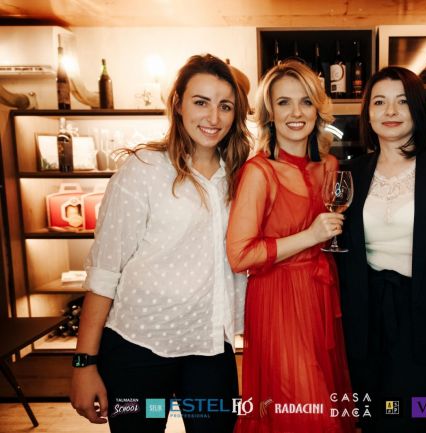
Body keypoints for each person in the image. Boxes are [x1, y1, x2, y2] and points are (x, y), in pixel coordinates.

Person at [69, 54, 250, 433]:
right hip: (139, 348)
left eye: (225, 106)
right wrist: (84, 363)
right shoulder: (144, 171)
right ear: (178, 104)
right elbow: (105, 271)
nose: (213, 117)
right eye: (201, 102)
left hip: (210, 347)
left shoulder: (240, 174)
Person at [336, 66, 426, 433]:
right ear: (367, 113)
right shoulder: (352, 172)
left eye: (401, 101)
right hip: (362, 322)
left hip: (421, 321)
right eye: (379, 102)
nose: (390, 111)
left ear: (418, 108)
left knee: (407, 421)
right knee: (369, 421)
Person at [226, 60, 355, 433]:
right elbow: (239, 255)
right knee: (305, 412)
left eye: (305, 102)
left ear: (317, 109)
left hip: (321, 296)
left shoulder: (328, 165)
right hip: (278, 301)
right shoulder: (259, 172)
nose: (296, 113)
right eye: (284, 102)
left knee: (325, 398)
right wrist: (310, 237)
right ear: (269, 113)